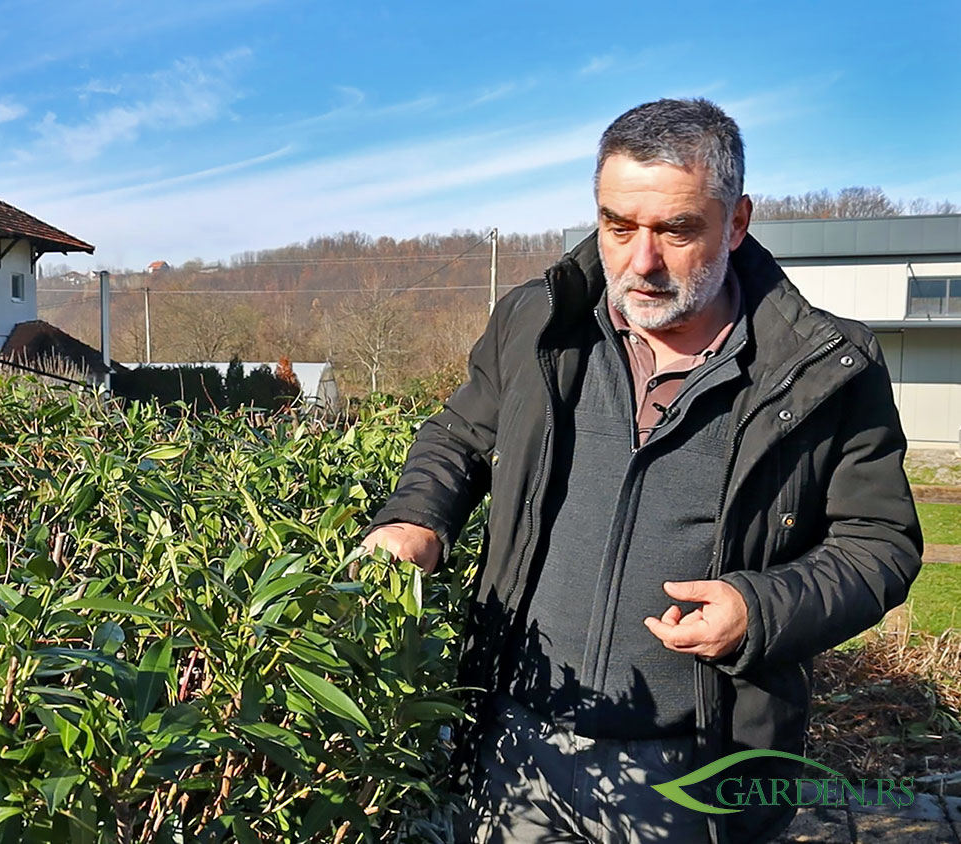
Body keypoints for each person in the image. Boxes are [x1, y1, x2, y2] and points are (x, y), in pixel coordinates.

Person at [362, 98, 921, 844]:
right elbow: (458, 436)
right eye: (618, 226)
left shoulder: (823, 366)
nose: (641, 261)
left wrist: (759, 609)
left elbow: (880, 543)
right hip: (515, 744)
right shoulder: (537, 322)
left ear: (737, 222)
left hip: (694, 766)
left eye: (676, 230)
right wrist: (416, 517)